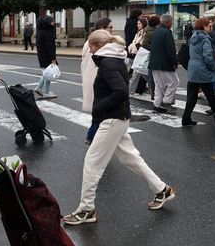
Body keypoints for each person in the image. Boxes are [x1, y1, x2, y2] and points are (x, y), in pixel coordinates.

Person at [63, 30, 176, 225]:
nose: (89, 50)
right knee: (129, 157)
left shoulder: (108, 64)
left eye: (91, 46)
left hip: (112, 119)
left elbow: (121, 91)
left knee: (92, 162)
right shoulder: (113, 59)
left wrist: (99, 107)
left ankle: (86, 209)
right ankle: (162, 189)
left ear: (99, 46)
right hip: (117, 117)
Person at [81, 18, 114, 145]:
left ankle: (94, 137)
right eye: (110, 27)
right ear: (102, 28)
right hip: (98, 80)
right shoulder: (99, 43)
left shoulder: (90, 42)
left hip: (93, 79)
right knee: (102, 111)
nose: (112, 29)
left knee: (101, 110)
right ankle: (91, 136)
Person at [185, 18, 215, 127]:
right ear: (203, 26)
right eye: (209, 26)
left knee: (191, 97)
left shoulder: (193, 36)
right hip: (203, 71)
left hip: (193, 69)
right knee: (211, 97)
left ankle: (185, 119)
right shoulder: (205, 38)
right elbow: (208, 57)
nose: (210, 28)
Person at [148, 14, 179, 113]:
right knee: (174, 82)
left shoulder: (156, 31)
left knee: (159, 85)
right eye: (172, 22)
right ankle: (166, 101)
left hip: (154, 62)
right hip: (164, 63)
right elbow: (170, 50)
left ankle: (157, 105)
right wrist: (174, 62)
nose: (172, 24)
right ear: (168, 22)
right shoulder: (167, 32)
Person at [141, 15, 160, 100]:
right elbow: (145, 45)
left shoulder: (149, 30)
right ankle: (153, 93)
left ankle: (153, 92)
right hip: (151, 56)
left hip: (151, 55)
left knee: (151, 75)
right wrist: (154, 49)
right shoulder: (151, 32)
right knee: (151, 75)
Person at [128, 18, 149, 94]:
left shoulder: (145, 34)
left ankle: (130, 91)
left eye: (139, 24)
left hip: (141, 55)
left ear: (144, 24)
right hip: (136, 55)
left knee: (137, 74)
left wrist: (134, 45)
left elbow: (140, 44)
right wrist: (130, 47)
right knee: (141, 74)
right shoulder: (137, 34)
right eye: (137, 24)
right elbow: (133, 43)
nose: (138, 25)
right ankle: (153, 88)